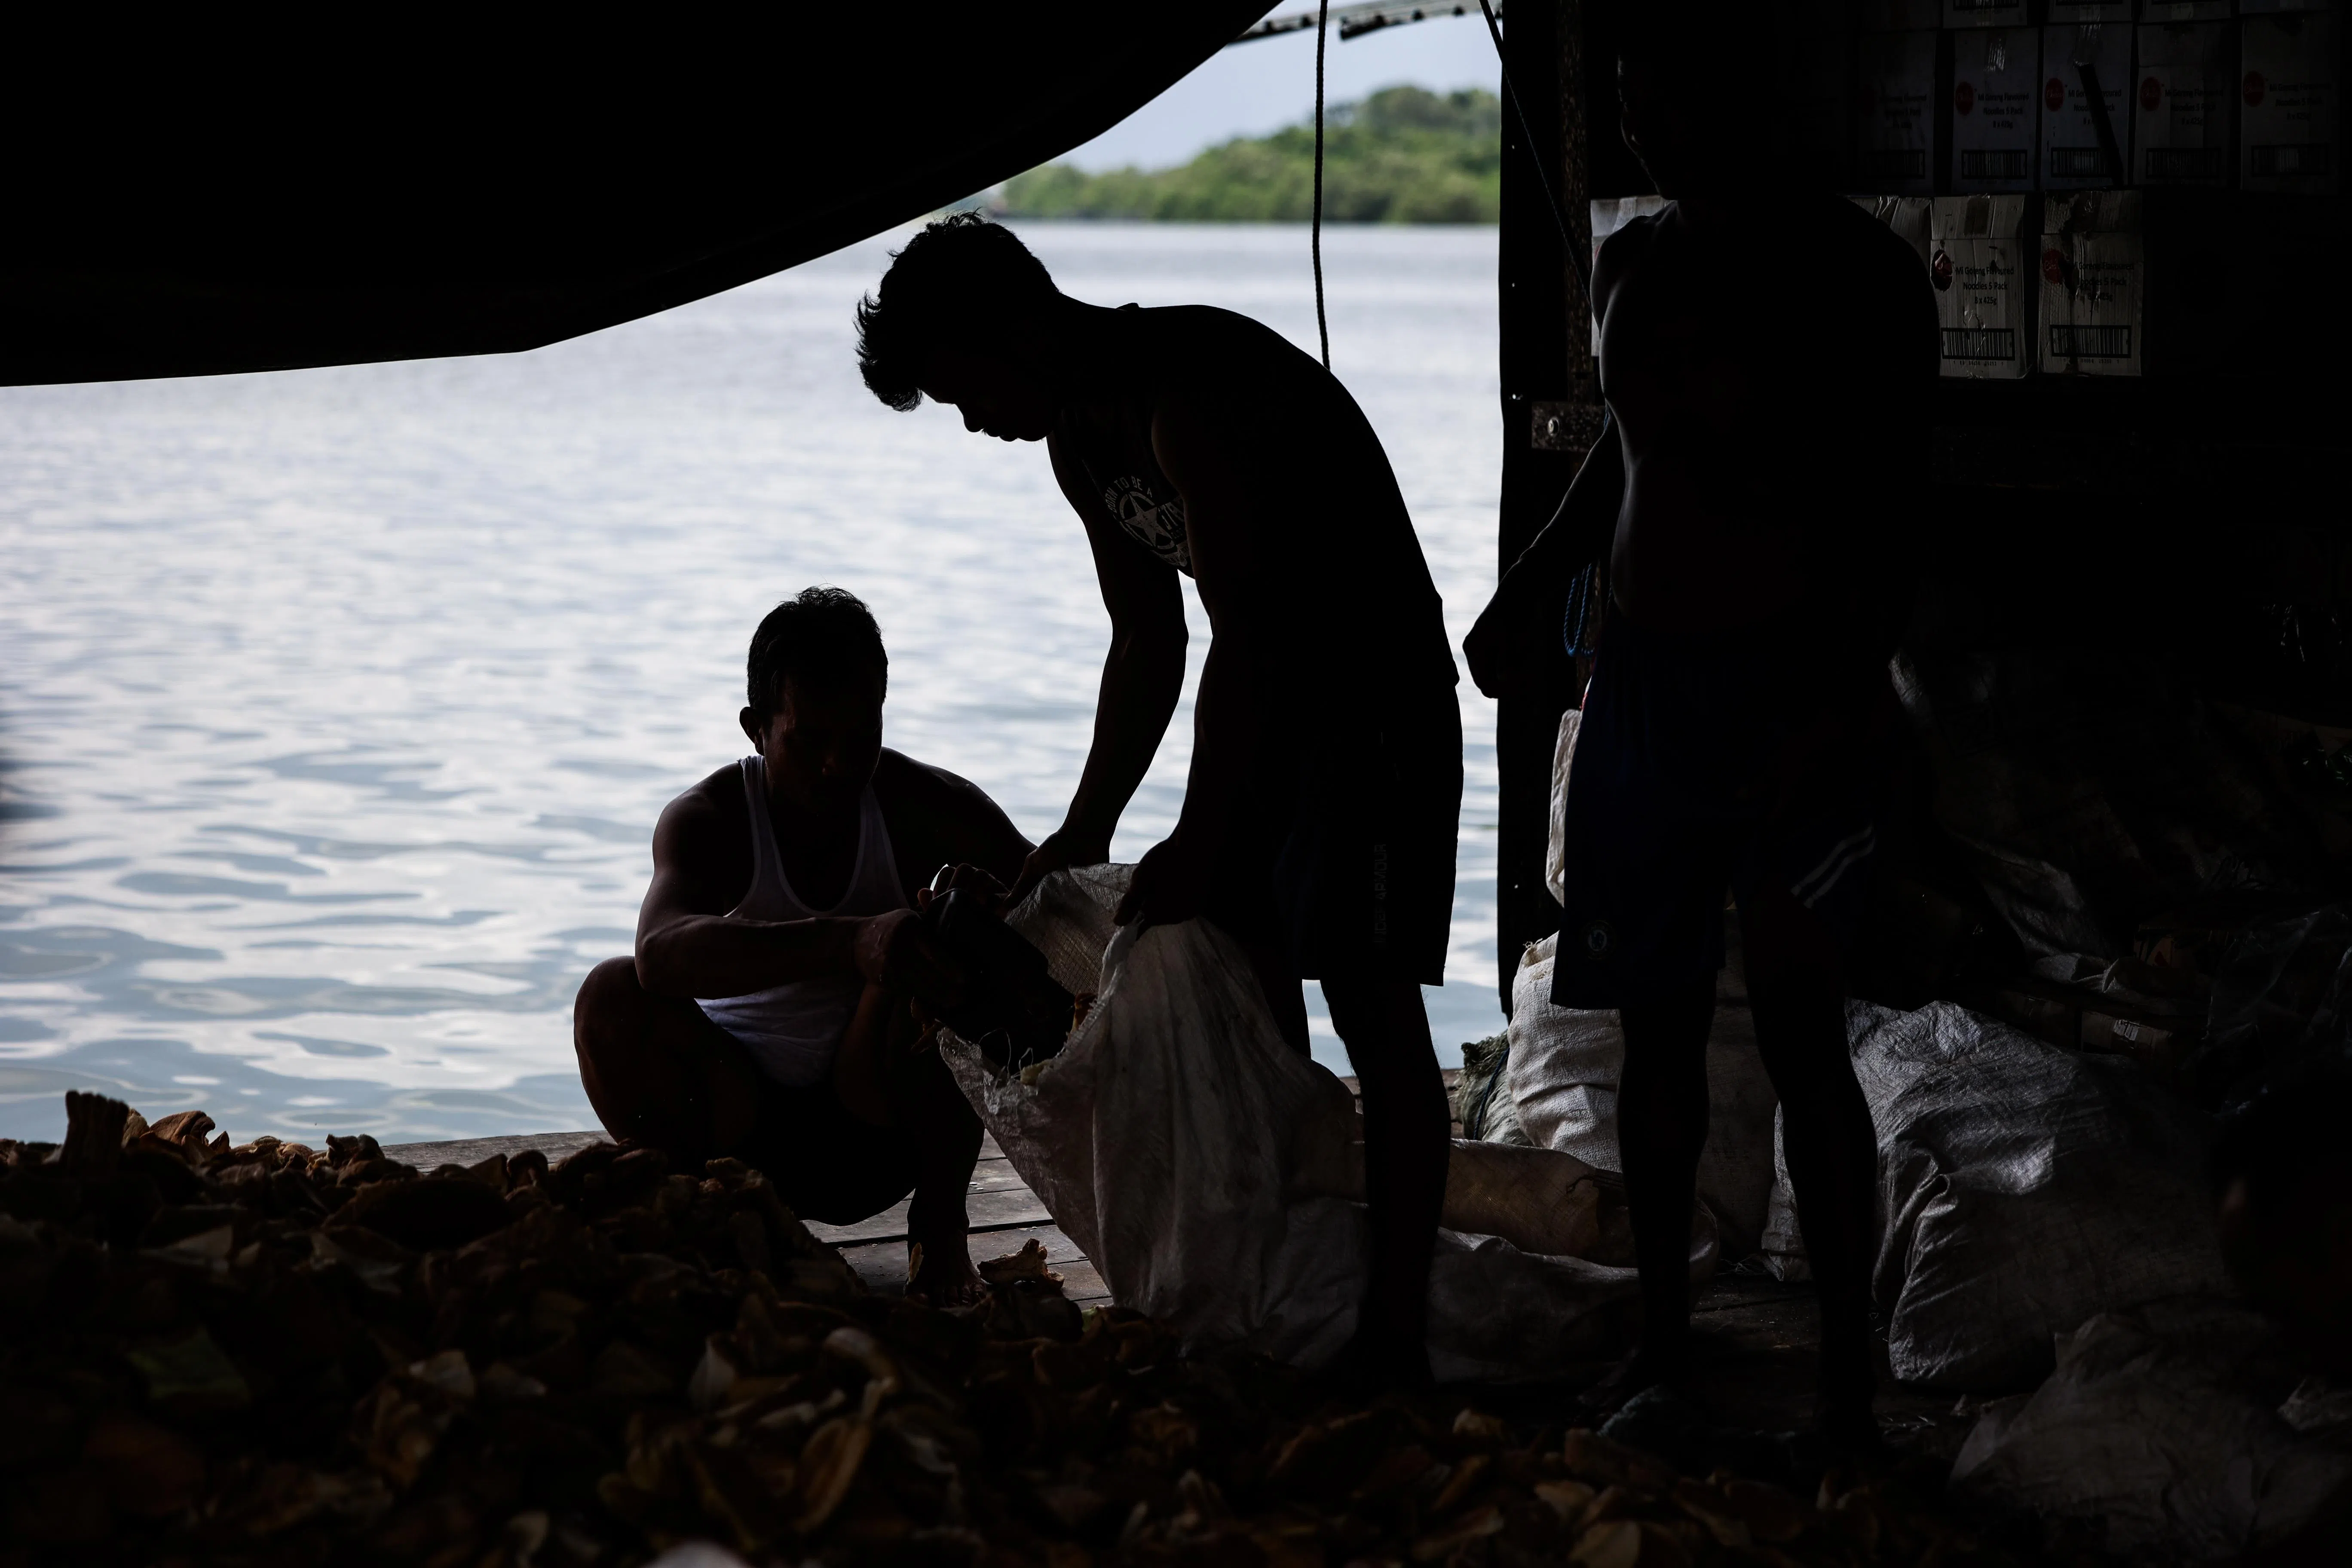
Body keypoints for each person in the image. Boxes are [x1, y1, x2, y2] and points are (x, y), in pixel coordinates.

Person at [855, 215, 1463, 1383]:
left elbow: (1244, 629)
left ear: (1011, 329)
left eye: (963, 389)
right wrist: (1082, 833)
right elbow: (1148, 638)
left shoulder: (1188, 389)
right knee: (1250, 985)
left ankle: (1395, 1338)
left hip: (1372, 699)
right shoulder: (1076, 443)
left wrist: (1198, 828)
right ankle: (1279, 1288)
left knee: (1376, 1016)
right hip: (1275, 705)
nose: (976, 422)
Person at [1464, 9, 1936, 1443]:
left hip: (1802, 680)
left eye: (1669, 93)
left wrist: (1845, 695)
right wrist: (1530, 583)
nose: (1646, 124)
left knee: (1802, 1033)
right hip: (1648, 688)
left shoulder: (1856, 272)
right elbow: (1623, 457)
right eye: (1625, 97)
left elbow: (1900, 507)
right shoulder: (1632, 263)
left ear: (1747, 95)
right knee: (1653, 1036)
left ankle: (1851, 1385)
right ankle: (1665, 1346)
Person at [573, 587, 1032, 1305]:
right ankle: (700, 1213)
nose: (838, 766)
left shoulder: (927, 805)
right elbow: (659, 954)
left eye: (860, 738)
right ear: (757, 729)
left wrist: (994, 912)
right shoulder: (711, 817)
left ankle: (940, 1227)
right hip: (735, 1123)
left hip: (880, 1126)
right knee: (607, 995)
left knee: (948, 936)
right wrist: (853, 942)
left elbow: (1061, 906)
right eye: (809, 742)